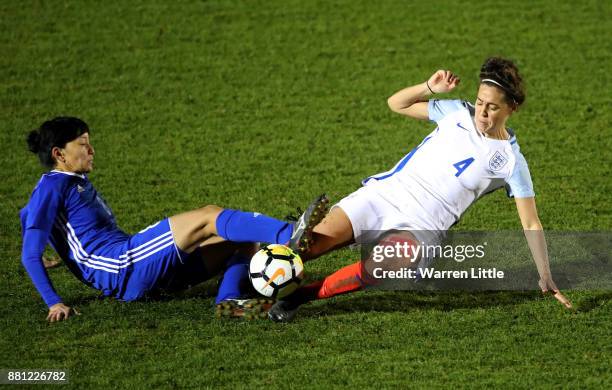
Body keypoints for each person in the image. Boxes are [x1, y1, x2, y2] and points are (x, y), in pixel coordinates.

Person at [265, 57, 573, 322]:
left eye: (492, 107)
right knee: (312, 246)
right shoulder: (456, 111)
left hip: (422, 227)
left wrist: (544, 273)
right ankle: (255, 272)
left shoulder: (511, 161)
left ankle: (298, 297)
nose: (481, 112)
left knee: (380, 267)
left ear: (512, 108)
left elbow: (530, 222)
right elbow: (396, 104)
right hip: (384, 196)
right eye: (480, 102)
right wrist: (428, 87)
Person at [21, 117, 328, 321]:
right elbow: (28, 253)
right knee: (209, 216)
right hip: (121, 265)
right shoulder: (52, 185)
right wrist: (53, 302)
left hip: (129, 270)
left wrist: (61, 253)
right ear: (59, 153)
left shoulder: (65, 183)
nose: (91, 150)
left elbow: (29, 218)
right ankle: (290, 233)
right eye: (83, 144)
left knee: (242, 238)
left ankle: (230, 303)